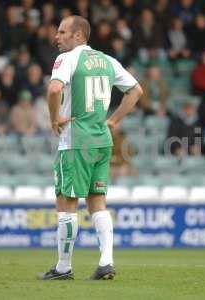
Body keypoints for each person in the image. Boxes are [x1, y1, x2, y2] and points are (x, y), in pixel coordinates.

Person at [39, 15, 142, 281]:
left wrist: (53, 119)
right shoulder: (108, 61)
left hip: (76, 141)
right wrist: (114, 120)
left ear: (78, 36)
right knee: (98, 202)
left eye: (62, 32)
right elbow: (136, 91)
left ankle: (63, 267)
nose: (57, 37)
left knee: (66, 201)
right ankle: (106, 262)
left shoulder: (68, 59)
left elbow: (53, 90)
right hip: (101, 141)